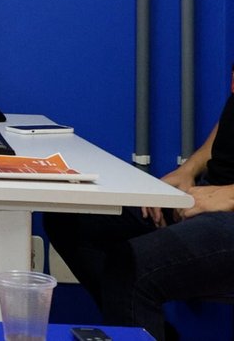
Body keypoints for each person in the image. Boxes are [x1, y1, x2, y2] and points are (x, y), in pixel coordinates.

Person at [44, 87, 234, 341]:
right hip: (209, 193)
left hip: (226, 206)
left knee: (131, 267)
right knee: (71, 218)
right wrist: (189, 169)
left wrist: (229, 196)